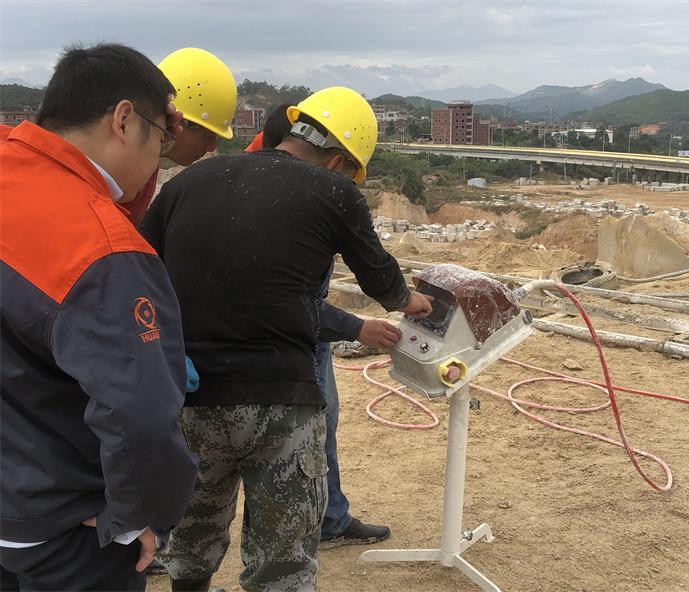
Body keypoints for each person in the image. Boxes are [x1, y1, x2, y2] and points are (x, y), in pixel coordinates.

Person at [137, 86, 432, 592]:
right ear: (338, 161)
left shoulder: (191, 181)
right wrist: (410, 302)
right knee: (283, 561)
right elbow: (380, 279)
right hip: (282, 402)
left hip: (192, 397)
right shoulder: (335, 191)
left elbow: (140, 265)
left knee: (190, 542)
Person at [0, 43, 198, 591]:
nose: (159, 158)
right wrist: (139, 514)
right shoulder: (100, 248)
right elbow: (139, 414)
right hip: (61, 530)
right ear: (124, 119)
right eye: (161, 140)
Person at [245, 106, 397, 548]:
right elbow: (288, 300)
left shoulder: (253, 175)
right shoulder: (304, 190)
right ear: (334, 163)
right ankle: (311, 525)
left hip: (306, 333)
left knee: (321, 420)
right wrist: (365, 323)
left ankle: (329, 516)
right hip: (292, 338)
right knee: (300, 429)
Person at [124, 47, 237, 224]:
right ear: (177, 120)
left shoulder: (146, 168)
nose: (211, 147)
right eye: (207, 135)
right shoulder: (122, 170)